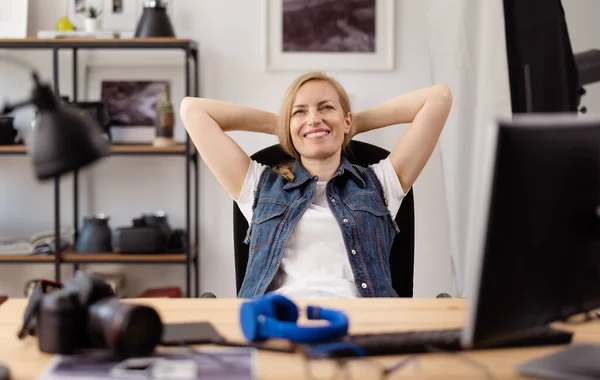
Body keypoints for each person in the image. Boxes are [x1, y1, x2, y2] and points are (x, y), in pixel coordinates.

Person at [180, 72, 452, 298]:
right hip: (277, 323)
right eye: (300, 112)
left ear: (346, 119)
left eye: (326, 107)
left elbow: (438, 98)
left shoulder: (381, 183)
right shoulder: (257, 185)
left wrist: (351, 125)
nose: (314, 118)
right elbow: (192, 110)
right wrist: (281, 124)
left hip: (360, 324)